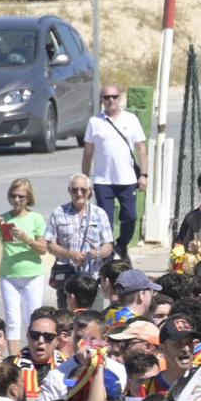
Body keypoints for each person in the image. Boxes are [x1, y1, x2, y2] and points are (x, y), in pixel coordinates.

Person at [82, 85, 147, 257]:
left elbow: (141, 148)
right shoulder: (94, 122)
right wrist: (85, 180)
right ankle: (108, 253)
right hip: (103, 181)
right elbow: (88, 152)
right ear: (101, 100)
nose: (111, 100)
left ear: (120, 98)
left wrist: (144, 175)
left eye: (114, 96)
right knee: (106, 220)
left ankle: (121, 244)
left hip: (127, 179)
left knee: (131, 217)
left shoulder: (131, 119)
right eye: (106, 97)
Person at [0, 179, 51, 339]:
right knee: (12, 321)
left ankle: (33, 356)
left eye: (21, 197)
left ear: (28, 198)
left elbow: (43, 249)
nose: (17, 200)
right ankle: (14, 358)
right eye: (13, 196)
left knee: (33, 318)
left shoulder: (36, 218)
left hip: (32, 274)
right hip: (9, 275)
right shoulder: (4, 219)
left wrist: (26, 238)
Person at [46, 173, 116, 293]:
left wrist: (96, 253)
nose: (79, 193)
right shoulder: (58, 213)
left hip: (92, 279)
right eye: (75, 190)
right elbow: (50, 245)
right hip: (67, 279)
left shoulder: (100, 214)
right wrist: (70, 254)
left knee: (93, 312)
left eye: (83, 190)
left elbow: (108, 246)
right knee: (65, 312)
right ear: (69, 191)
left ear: (89, 191)